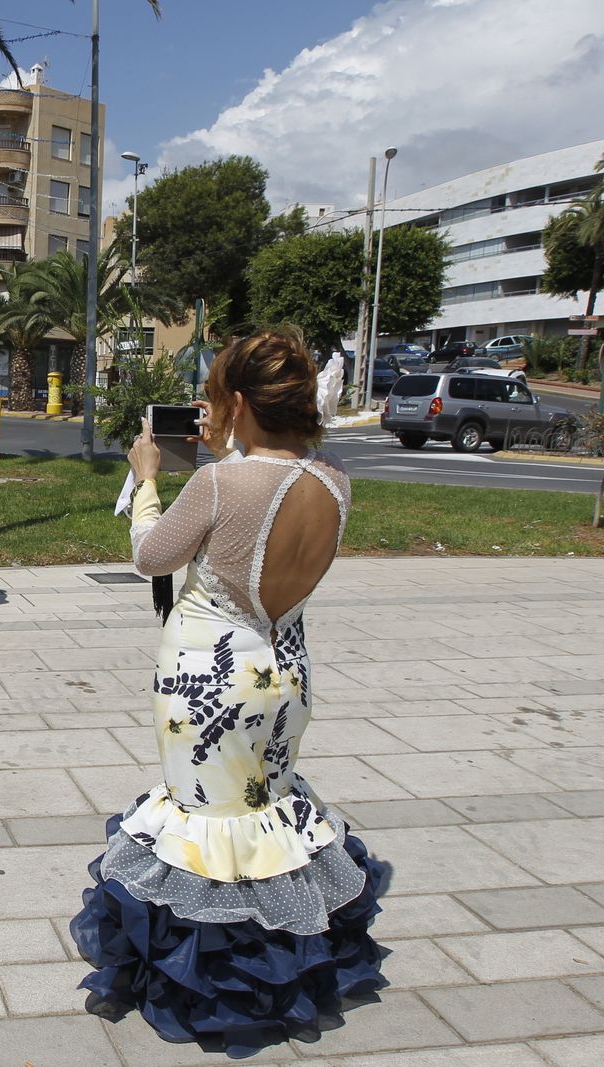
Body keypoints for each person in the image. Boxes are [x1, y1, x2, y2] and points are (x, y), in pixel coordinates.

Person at [72, 330, 386, 1054]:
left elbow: (152, 553)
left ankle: (213, 981)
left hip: (209, 679)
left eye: (218, 399)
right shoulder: (335, 479)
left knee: (206, 824)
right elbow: (264, 502)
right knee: (265, 811)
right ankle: (280, 959)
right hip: (289, 669)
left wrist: (149, 475)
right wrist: (230, 453)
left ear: (238, 402)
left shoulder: (218, 483)